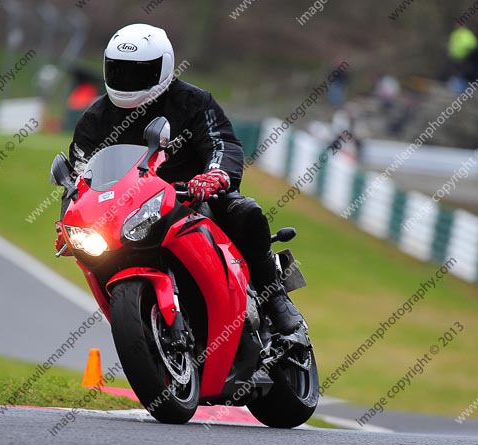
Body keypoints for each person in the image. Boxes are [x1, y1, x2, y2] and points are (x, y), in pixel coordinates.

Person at [56, 24, 303, 334]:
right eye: (119, 71)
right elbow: (81, 176)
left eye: (138, 73)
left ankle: (274, 298)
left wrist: (215, 175)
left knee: (245, 212)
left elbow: (221, 141)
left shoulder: (192, 102)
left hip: (194, 198)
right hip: (128, 210)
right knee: (93, 250)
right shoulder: (95, 119)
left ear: (164, 68)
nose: (127, 81)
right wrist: (70, 217)